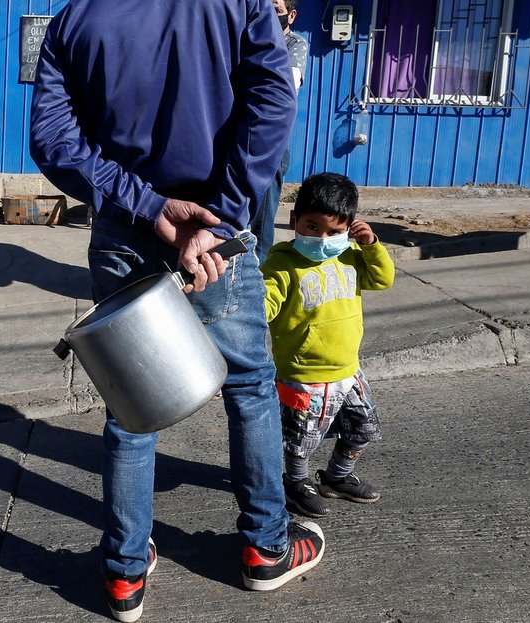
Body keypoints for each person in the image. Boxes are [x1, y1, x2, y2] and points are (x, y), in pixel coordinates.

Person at [29, 1, 325, 621]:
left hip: (123, 228)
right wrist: (224, 212)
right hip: (212, 231)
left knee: (133, 410)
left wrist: (146, 205)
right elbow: (273, 101)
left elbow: (54, 140)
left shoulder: (74, 17)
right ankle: (265, 548)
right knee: (248, 385)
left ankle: (124, 575)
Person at [261, 172, 395, 518]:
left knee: (362, 428)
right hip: (304, 375)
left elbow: (383, 279)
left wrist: (371, 246)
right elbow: (265, 306)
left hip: (349, 370)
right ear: (294, 221)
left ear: (349, 227)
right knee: (299, 442)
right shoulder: (282, 263)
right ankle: (296, 483)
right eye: (312, 226)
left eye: (334, 231)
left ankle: (337, 477)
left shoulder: (350, 255)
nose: (322, 238)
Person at [250, 0, 309, 262]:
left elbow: (285, 85)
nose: (269, 15)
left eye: (276, 10)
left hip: (270, 144)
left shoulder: (294, 45)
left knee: (262, 219)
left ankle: (260, 278)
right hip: (238, 139)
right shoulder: (249, 39)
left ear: (291, 15)